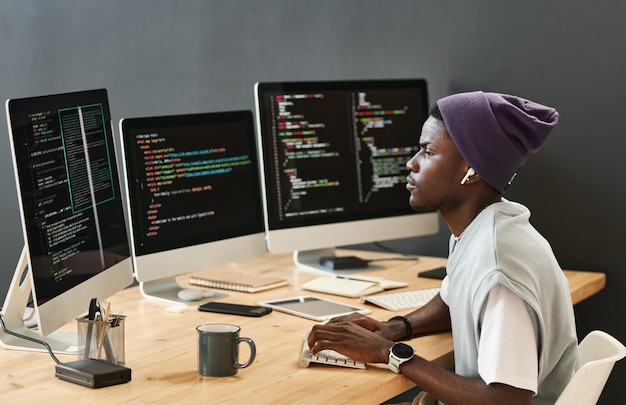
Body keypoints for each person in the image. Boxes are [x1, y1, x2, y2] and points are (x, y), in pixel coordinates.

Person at [307, 91, 578, 405]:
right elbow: (453, 298)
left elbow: (506, 400)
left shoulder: (499, 270)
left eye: (427, 151)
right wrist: (395, 328)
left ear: (471, 168)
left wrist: (387, 353)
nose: (411, 163)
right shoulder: (488, 227)